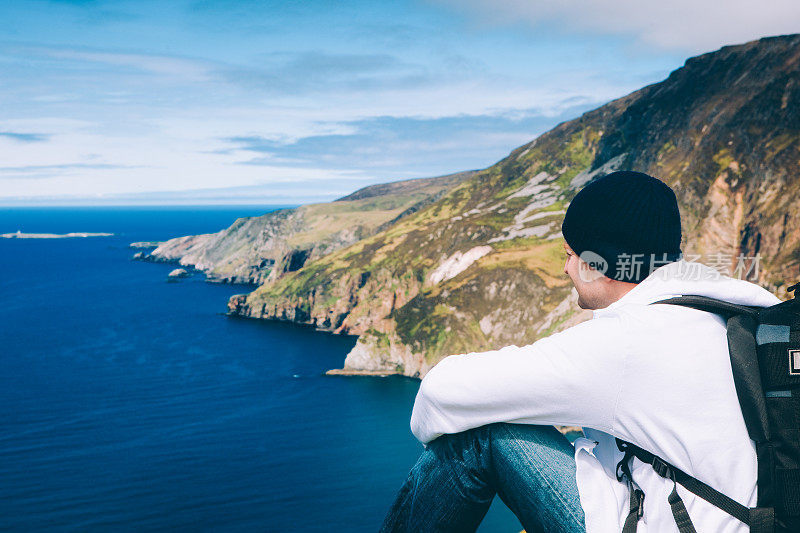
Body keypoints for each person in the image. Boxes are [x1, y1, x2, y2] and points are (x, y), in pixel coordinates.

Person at [379, 171, 781, 532]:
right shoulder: (740, 303)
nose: (565, 269)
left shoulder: (629, 342)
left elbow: (440, 392)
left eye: (570, 255)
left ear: (597, 263)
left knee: (482, 433)